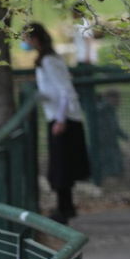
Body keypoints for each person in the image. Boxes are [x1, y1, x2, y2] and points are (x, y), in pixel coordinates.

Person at [25, 23, 91, 223]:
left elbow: (64, 91)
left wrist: (61, 119)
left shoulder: (49, 61)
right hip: (59, 117)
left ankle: (64, 209)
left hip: (63, 119)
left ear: (34, 39)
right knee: (62, 165)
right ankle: (65, 206)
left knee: (62, 166)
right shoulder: (49, 59)